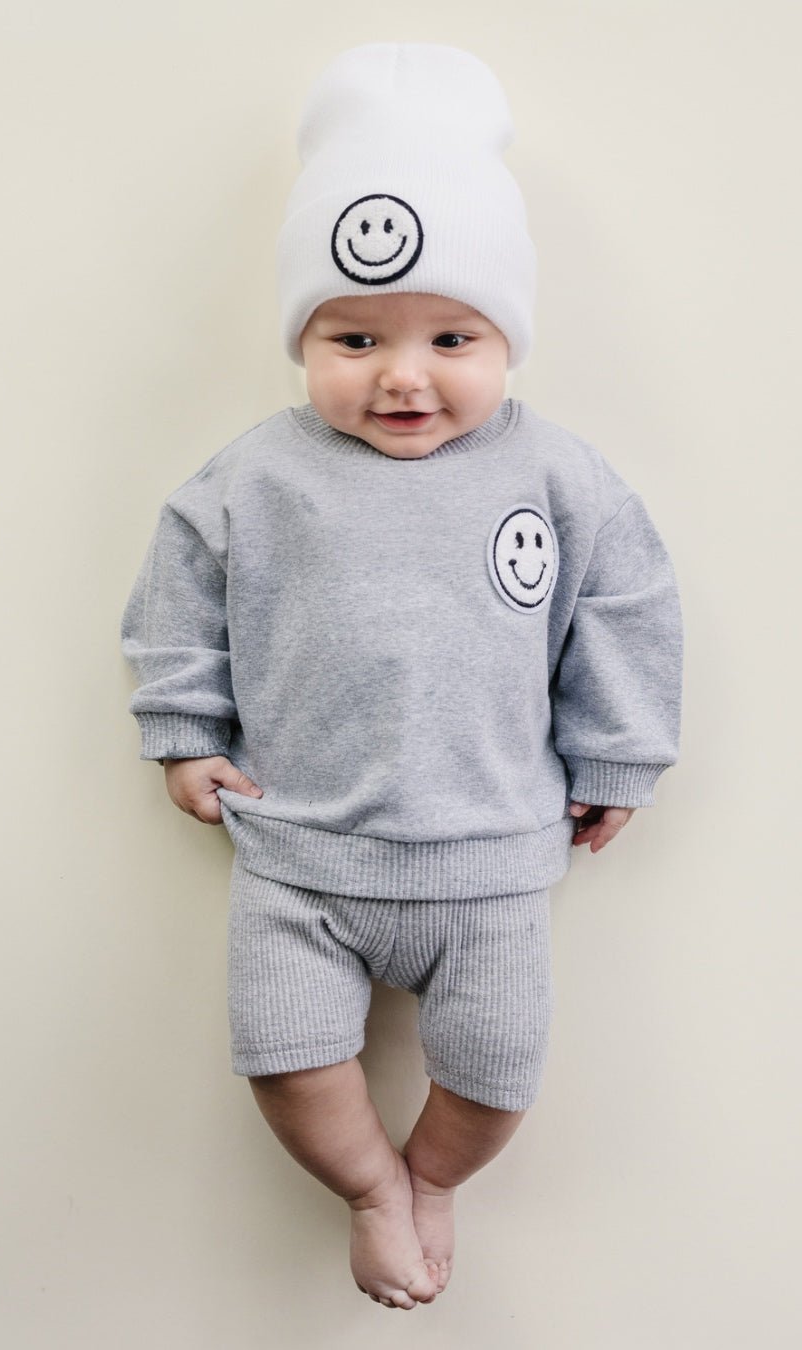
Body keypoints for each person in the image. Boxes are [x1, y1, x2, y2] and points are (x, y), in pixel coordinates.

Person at [121, 42, 683, 1310]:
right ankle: (372, 1187)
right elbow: (175, 596)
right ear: (305, 336)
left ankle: (432, 1177)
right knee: (284, 1055)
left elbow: (629, 604)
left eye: (453, 337)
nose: (403, 375)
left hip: (490, 851)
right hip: (299, 852)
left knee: (496, 1070)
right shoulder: (254, 478)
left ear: (507, 337)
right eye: (356, 335)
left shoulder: (558, 477)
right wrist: (180, 727)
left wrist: (621, 753)